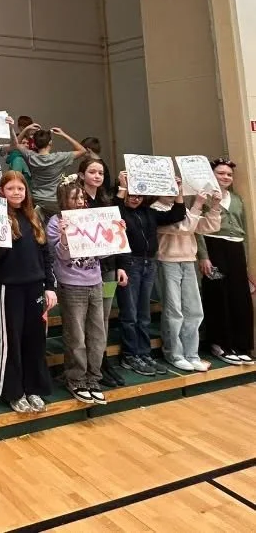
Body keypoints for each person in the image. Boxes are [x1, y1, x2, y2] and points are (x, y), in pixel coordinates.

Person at [0, 171, 56, 413]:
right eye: (11, 189)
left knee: (35, 340)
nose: (16, 193)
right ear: (2, 192)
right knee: (13, 341)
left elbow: (45, 255)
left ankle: (33, 388)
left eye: (20, 188)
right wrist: (2, 235)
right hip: (11, 288)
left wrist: (49, 286)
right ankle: (13, 391)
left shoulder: (34, 217)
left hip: (35, 287)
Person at [114, 171, 186, 376]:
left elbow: (178, 214)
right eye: (131, 194)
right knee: (130, 314)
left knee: (143, 314)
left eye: (138, 194)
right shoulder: (120, 212)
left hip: (149, 264)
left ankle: (144, 353)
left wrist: (177, 190)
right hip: (129, 264)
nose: (135, 198)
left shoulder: (149, 212)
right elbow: (114, 210)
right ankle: (130, 354)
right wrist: (123, 186)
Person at [47, 181, 109, 404]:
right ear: (64, 199)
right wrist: (64, 236)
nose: (80, 202)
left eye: (81, 198)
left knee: (97, 334)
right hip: (71, 283)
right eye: (74, 198)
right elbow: (60, 256)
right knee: (76, 336)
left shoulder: (91, 218)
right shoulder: (55, 222)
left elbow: (103, 253)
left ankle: (94, 377)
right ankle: (76, 379)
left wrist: (114, 232)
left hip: (95, 281)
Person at [196, 158, 255, 365]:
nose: (225, 177)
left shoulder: (237, 199)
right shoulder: (204, 198)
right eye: (221, 173)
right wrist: (203, 256)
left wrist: (245, 261)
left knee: (239, 296)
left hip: (236, 249)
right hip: (214, 248)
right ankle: (220, 343)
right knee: (217, 293)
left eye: (229, 174)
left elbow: (244, 231)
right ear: (212, 175)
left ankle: (241, 345)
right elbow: (198, 228)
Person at [155, 189, 221, 371]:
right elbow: (183, 228)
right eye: (166, 188)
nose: (171, 192)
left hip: (189, 261)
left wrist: (214, 206)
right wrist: (198, 205)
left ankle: (192, 354)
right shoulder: (155, 209)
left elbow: (208, 226)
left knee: (194, 310)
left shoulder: (183, 209)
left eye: (175, 188)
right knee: (173, 310)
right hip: (167, 262)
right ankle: (174, 354)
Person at [78, 157, 127, 387]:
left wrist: (120, 266)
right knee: (88, 319)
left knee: (103, 317)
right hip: (85, 271)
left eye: (100, 173)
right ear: (81, 175)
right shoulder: (77, 201)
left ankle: (102, 362)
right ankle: (88, 366)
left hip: (107, 268)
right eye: (92, 172)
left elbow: (115, 237)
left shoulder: (107, 201)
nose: (97, 176)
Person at [12, 122, 88, 218]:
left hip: (36, 200)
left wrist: (26, 129)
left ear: (34, 144)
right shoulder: (60, 157)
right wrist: (63, 134)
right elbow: (82, 150)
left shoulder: (31, 156)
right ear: (50, 143)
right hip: (55, 200)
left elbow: (15, 144)